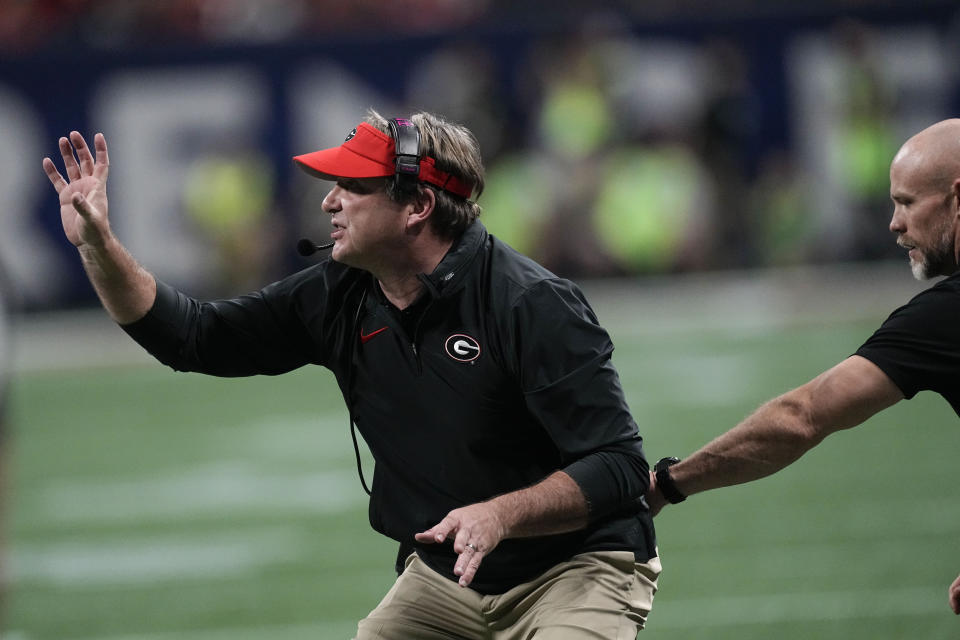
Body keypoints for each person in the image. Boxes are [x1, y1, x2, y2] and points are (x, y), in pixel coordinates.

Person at [43, 111, 660, 639]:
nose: (328, 199)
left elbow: (620, 466)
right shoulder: (339, 293)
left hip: (575, 564)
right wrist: (97, 244)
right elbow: (192, 337)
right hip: (449, 574)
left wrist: (500, 514)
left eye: (352, 184)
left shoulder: (532, 303)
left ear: (417, 205)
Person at [645, 118, 960, 617]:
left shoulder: (945, 316)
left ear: (957, 197)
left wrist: (667, 483)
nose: (894, 224)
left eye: (907, 203)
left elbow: (803, 416)